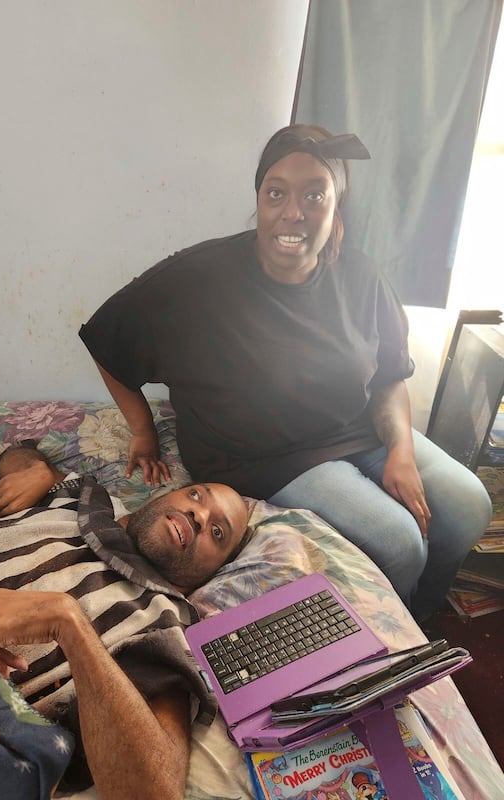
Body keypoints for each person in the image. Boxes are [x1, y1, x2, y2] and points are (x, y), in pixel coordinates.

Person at [78, 123, 492, 623]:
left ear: (336, 206)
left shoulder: (360, 276)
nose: (293, 212)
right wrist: (142, 429)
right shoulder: (198, 278)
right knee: (400, 544)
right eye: (277, 193)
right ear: (259, 198)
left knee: (471, 506)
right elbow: (105, 338)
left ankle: (423, 619)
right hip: (261, 454)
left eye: (315, 194)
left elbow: (388, 378)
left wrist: (401, 450)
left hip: (355, 425)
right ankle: (397, 642)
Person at [0, 443, 248, 799]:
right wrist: (37, 471)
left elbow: (154, 791)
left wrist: (70, 625)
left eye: (218, 532)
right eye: (196, 495)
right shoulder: (82, 497)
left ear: (211, 574)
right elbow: (12, 456)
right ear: (167, 493)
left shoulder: (162, 624)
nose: (199, 516)